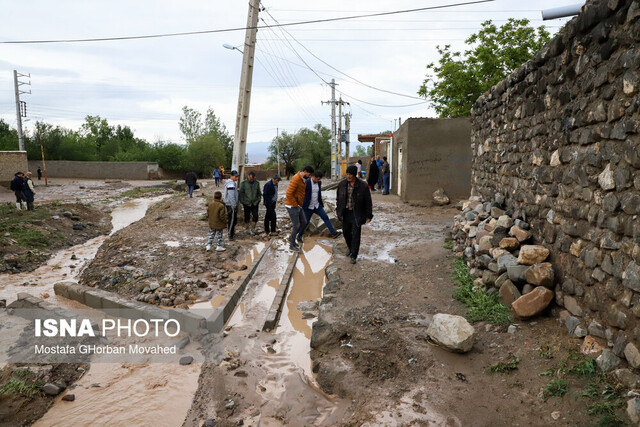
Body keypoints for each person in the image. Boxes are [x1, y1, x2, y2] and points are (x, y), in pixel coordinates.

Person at [336, 165, 373, 264]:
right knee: (346, 232)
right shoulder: (342, 184)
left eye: (350, 174)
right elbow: (338, 199)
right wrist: (338, 211)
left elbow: (368, 201)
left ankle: (354, 255)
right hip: (345, 213)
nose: (348, 176)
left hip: (357, 213)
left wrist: (369, 215)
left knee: (356, 235)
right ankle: (350, 247)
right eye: (347, 174)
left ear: (355, 175)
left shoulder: (363, 186)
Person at [302, 171, 341, 239]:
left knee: (325, 217)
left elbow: (319, 193)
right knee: (306, 222)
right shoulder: (307, 182)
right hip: (309, 207)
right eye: (318, 179)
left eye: (320, 179)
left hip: (317, 206)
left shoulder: (319, 183)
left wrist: (320, 203)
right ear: (314, 177)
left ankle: (333, 233)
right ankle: (300, 235)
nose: (319, 181)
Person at [285, 165, 314, 252]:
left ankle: (291, 238)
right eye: (309, 174)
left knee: (304, 222)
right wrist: (295, 205)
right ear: (304, 171)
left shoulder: (303, 179)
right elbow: (289, 194)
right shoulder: (296, 179)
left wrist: (298, 205)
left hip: (298, 205)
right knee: (296, 225)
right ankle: (291, 245)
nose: (310, 177)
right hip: (292, 205)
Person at [224, 170, 240, 241]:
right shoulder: (231, 184)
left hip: (230, 204)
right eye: (236, 177)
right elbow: (231, 195)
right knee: (232, 220)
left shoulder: (232, 183)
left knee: (233, 219)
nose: (237, 178)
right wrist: (234, 204)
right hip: (230, 204)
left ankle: (231, 232)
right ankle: (230, 234)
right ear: (232, 176)